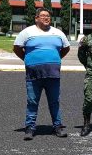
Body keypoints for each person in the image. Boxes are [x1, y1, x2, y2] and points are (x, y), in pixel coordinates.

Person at [13, 8, 70, 140]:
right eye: (43, 16)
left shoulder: (58, 32)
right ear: (36, 18)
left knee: (54, 102)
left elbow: (66, 48)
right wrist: (27, 60)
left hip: (53, 75)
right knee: (32, 102)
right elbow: (17, 48)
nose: (46, 18)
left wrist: (55, 59)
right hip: (33, 76)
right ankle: (30, 128)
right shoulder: (27, 32)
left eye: (48, 16)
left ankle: (57, 126)